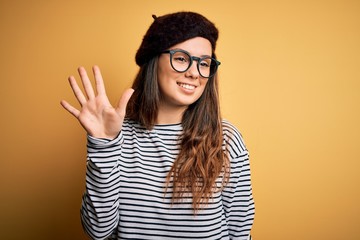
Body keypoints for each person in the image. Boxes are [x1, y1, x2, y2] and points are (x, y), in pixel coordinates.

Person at [61, 11, 255, 240]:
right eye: (182, 58)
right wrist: (104, 146)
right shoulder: (116, 136)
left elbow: (240, 232)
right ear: (154, 61)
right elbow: (98, 231)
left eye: (204, 63)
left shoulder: (226, 140)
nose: (194, 73)